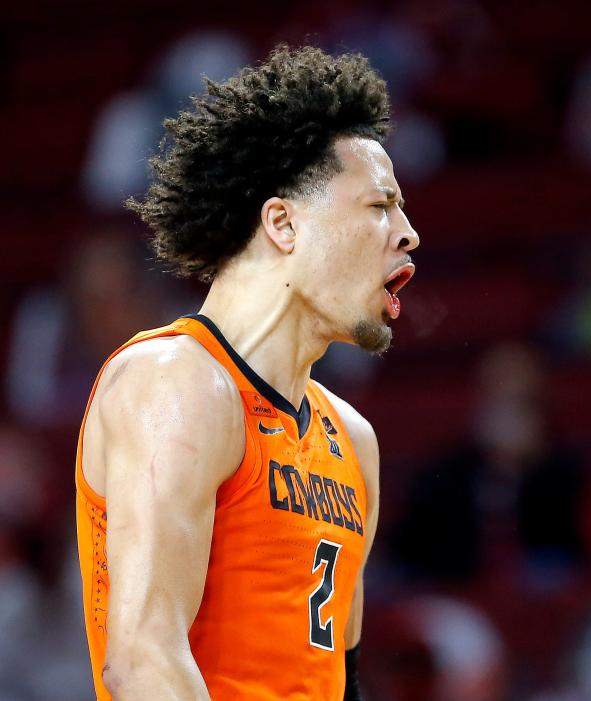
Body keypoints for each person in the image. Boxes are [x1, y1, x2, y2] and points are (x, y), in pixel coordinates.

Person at [75, 45, 420, 700]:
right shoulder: (175, 381)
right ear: (283, 223)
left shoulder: (353, 439)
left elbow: (338, 682)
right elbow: (143, 660)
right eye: (380, 206)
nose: (408, 234)